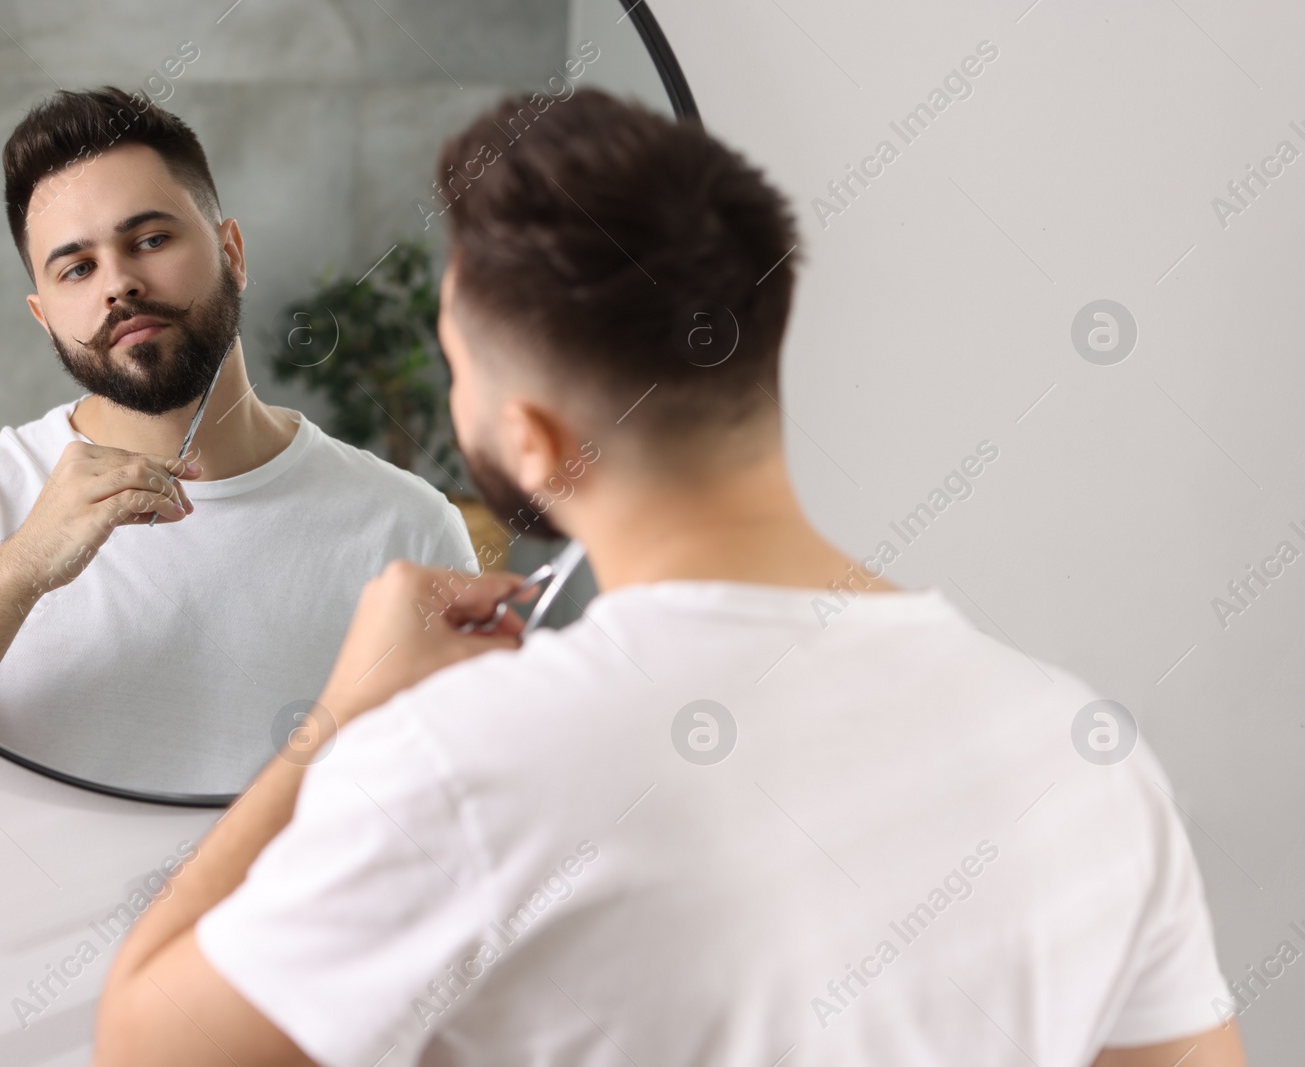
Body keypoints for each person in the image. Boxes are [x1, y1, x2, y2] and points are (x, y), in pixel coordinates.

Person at [92, 89, 1245, 1066]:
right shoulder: (1081, 747)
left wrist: (333, 722)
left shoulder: (463, 765)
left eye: (454, 367)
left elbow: (142, 1044)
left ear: (535, 441)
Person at [0, 87, 476, 795]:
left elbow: (465, 805)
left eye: (149, 240)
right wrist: (22, 566)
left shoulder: (409, 527)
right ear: (44, 317)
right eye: (76, 268)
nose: (119, 284)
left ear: (232, 251)